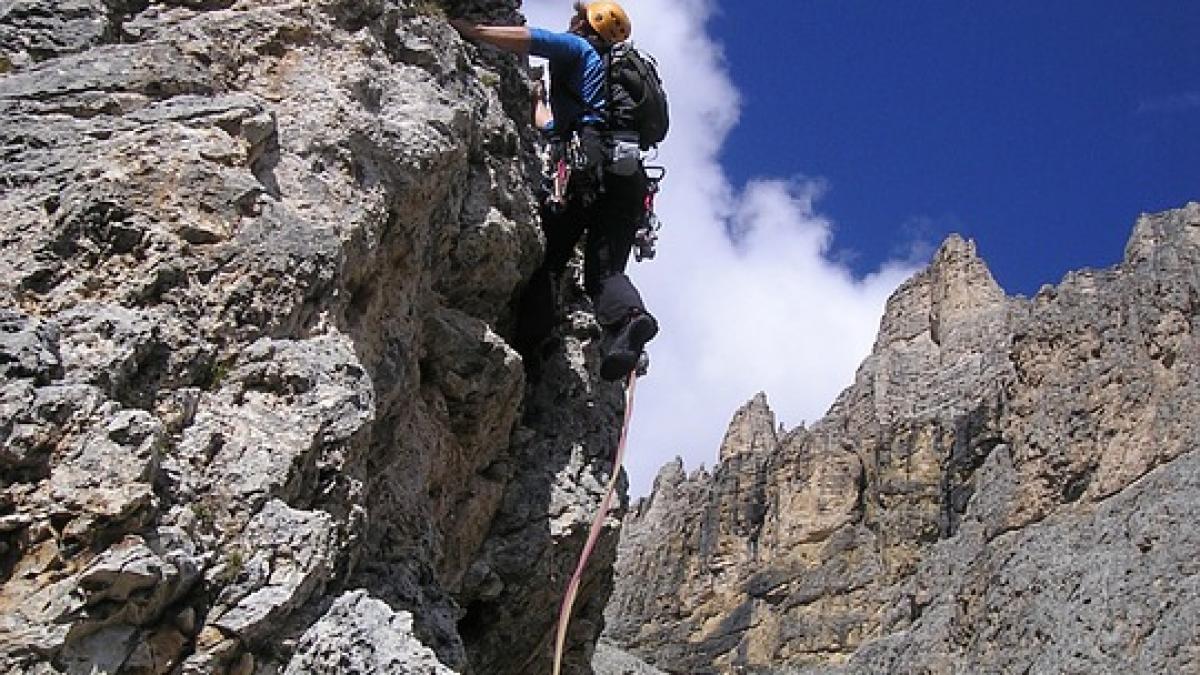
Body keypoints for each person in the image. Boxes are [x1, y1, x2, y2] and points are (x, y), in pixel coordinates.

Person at [451, 1, 658, 382]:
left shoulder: (579, 49)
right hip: (630, 181)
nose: (572, 17)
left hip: (588, 173)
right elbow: (555, 127)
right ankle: (630, 322)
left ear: (586, 22)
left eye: (578, 13)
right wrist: (540, 104)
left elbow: (531, 40)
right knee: (605, 272)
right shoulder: (615, 85)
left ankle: (532, 346)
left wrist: (474, 31)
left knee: (549, 262)